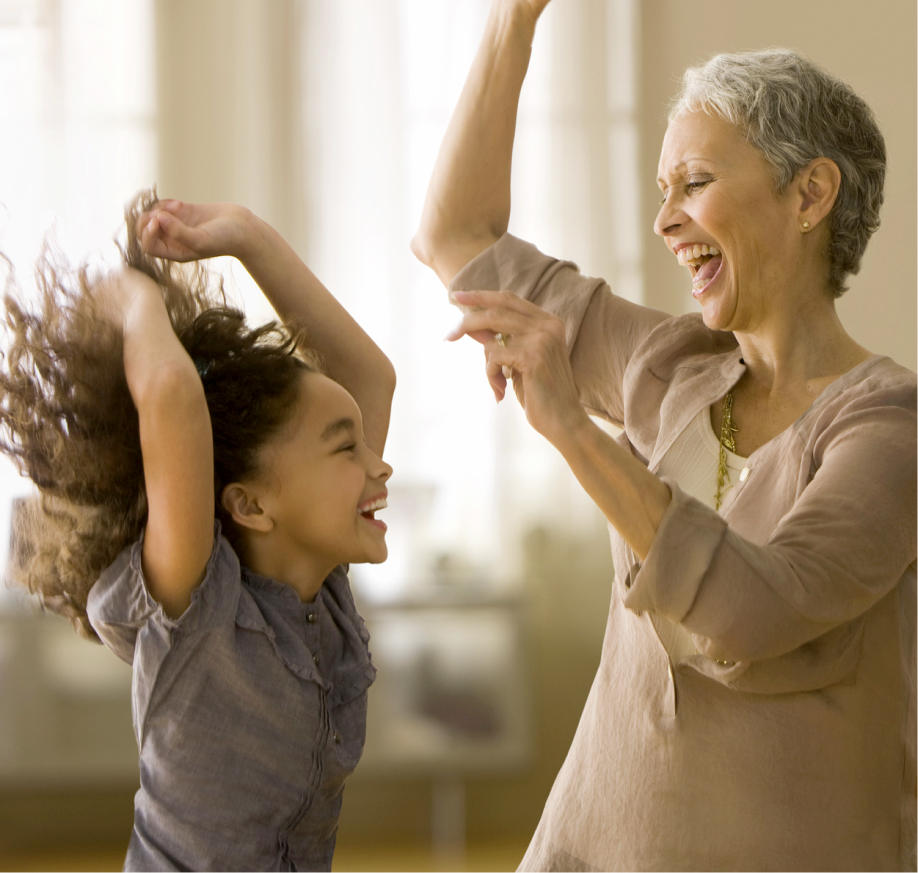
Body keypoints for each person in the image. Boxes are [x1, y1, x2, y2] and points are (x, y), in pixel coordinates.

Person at [410, 0, 916, 869]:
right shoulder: (672, 365)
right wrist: (514, 19)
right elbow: (456, 235)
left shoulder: (888, 428)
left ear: (810, 194)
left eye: (694, 183)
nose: (665, 221)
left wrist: (572, 426)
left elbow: (752, 611)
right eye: (661, 193)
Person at [0, 190, 395, 871]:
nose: (379, 463)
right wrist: (132, 298)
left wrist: (247, 236)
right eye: (345, 449)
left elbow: (371, 379)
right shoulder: (197, 603)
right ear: (249, 504)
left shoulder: (319, 584)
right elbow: (172, 398)